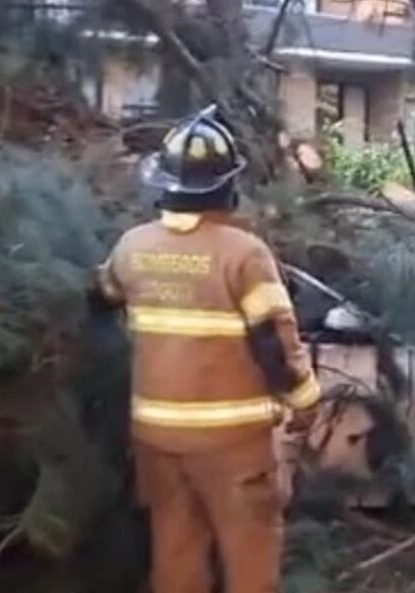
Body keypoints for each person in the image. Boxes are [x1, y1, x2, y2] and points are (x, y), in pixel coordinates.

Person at [96, 107, 321, 593]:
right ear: (226, 187)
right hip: (234, 443)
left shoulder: (131, 247)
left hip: (156, 437)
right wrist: (305, 404)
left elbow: (104, 293)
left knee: (176, 556)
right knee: (250, 560)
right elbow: (275, 346)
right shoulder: (243, 254)